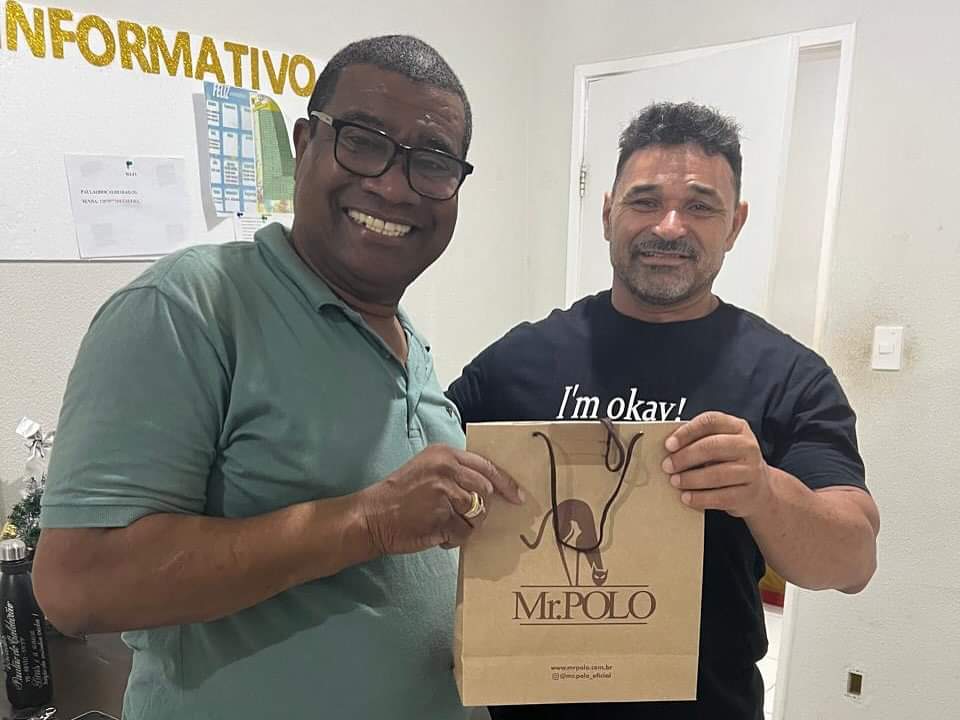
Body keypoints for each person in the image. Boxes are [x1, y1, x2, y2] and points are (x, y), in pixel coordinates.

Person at [33, 35, 522, 720]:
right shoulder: (189, 307)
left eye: (432, 162)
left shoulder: (410, 342)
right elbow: (76, 585)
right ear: (303, 145)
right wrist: (370, 521)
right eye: (362, 141)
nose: (392, 185)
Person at [447, 101, 880, 720]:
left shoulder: (788, 376)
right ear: (607, 214)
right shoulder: (519, 360)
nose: (670, 227)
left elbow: (853, 561)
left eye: (701, 206)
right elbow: (421, 472)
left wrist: (761, 491)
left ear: (735, 224)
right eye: (645, 201)